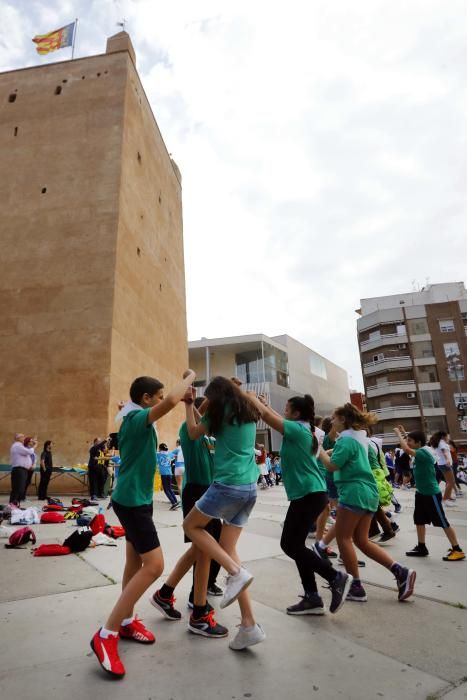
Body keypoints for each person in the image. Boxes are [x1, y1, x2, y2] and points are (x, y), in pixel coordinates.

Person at [90, 370, 196, 679]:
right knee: (154, 566)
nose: (163, 401)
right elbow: (174, 399)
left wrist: (125, 405)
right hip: (132, 502)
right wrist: (189, 377)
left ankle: (125, 621)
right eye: (157, 398)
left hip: (135, 498)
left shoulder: (132, 416)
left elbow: (134, 407)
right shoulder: (138, 419)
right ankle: (106, 633)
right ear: (147, 399)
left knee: (134, 562)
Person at [247, 392, 352, 616]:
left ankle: (335, 577)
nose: (283, 412)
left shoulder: (297, 429)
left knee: (290, 545)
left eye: (286, 408)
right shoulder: (305, 429)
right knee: (297, 546)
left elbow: (266, 415)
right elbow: (272, 414)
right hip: (310, 494)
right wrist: (264, 404)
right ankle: (312, 597)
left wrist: (248, 396)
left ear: (296, 413)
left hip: (308, 494)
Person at [183, 376, 266, 651]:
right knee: (228, 548)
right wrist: (195, 406)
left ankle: (232, 572)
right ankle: (249, 624)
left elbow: (194, 431)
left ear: (215, 398)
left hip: (227, 485)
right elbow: (206, 425)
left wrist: (187, 405)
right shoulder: (248, 410)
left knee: (191, 526)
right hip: (249, 488)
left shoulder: (219, 413)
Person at [318, 403, 416, 604]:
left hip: (354, 492)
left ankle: (356, 587)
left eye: (334, 418)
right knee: (362, 541)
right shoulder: (358, 438)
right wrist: (329, 450)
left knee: (344, 539)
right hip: (368, 493)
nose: (332, 422)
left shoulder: (346, 440)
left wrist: (318, 449)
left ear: (343, 420)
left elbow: (332, 465)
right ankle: (400, 572)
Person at [150, 393, 226, 637]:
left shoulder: (211, 434)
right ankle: (199, 609)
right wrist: (191, 405)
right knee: (203, 549)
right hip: (197, 492)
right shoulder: (189, 428)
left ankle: (166, 594)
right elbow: (197, 418)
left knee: (199, 550)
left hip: (211, 492)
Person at [394, 426, 465, 562]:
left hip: (431, 494)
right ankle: (422, 547)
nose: (407, 442)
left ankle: (457, 550)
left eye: (410, 440)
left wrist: (398, 434)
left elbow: (407, 449)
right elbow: (412, 444)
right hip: (421, 494)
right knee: (419, 520)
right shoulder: (421, 449)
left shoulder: (423, 452)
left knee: (442, 521)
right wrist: (404, 432)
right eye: (406, 439)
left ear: (418, 443)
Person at [9, 433, 37, 505]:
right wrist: (35, 446)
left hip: (22, 470)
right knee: (17, 489)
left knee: (20, 489)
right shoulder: (17, 445)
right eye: (23, 436)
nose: (24, 437)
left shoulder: (20, 446)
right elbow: (28, 451)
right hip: (19, 470)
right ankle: (13, 506)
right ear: (18, 438)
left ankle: (16, 505)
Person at [430, 431, 456, 505]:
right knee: (451, 482)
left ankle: (448, 496)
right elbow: (444, 452)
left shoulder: (440, 442)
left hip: (443, 464)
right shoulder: (441, 443)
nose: (448, 437)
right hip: (445, 464)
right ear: (443, 436)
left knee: (449, 482)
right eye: (447, 436)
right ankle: (445, 499)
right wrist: (447, 459)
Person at [157, 444, 180, 510]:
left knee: (166, 490)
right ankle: (175, 501)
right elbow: (175, 454)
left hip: (164, 474)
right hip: (170, 473)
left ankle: (174, 503)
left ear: (160, 448)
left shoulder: (158, 454)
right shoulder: (169, 454)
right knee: (169, 488)